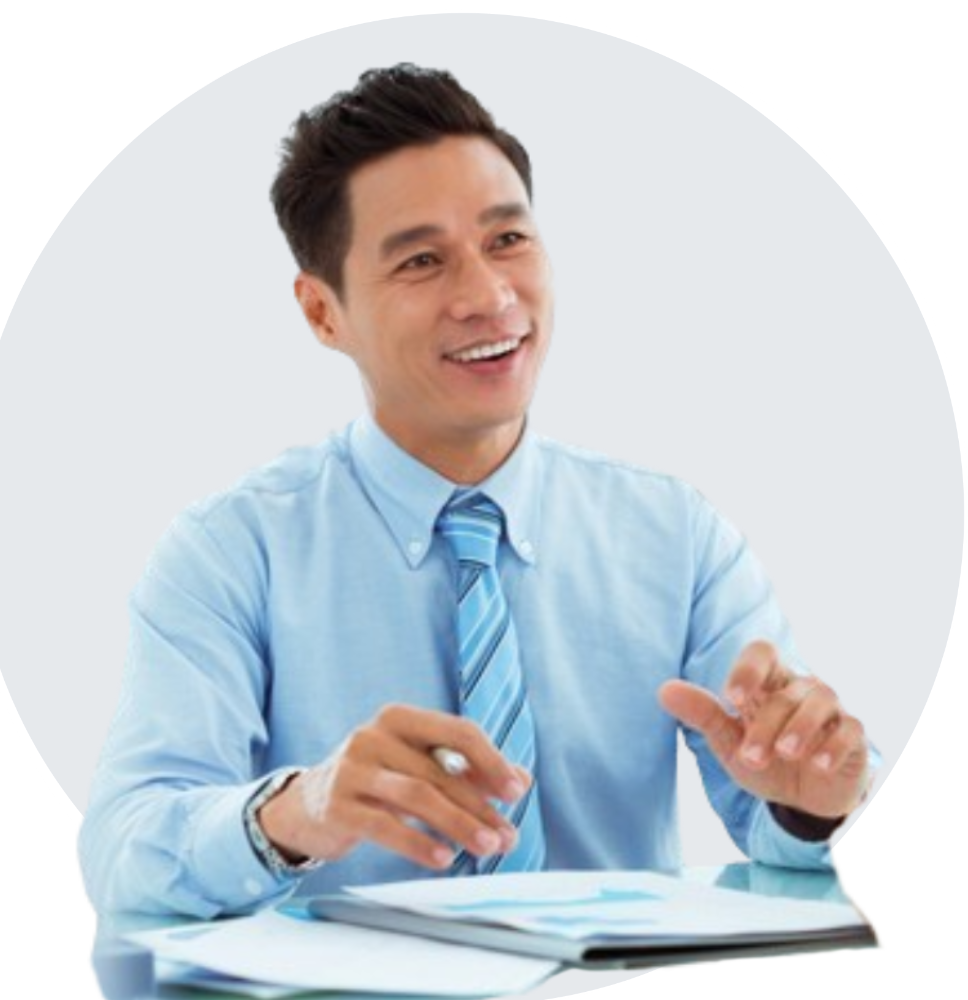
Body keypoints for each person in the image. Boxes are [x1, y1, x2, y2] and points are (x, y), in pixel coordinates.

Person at [76, 64, 886, 919]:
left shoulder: (678, 533)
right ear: (323, 314)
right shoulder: (229, 547)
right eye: (422, 261)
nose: (489, 297)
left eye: (508, 241)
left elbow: (779, 827)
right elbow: (121, 854)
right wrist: (297, 811)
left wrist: (805, 794)